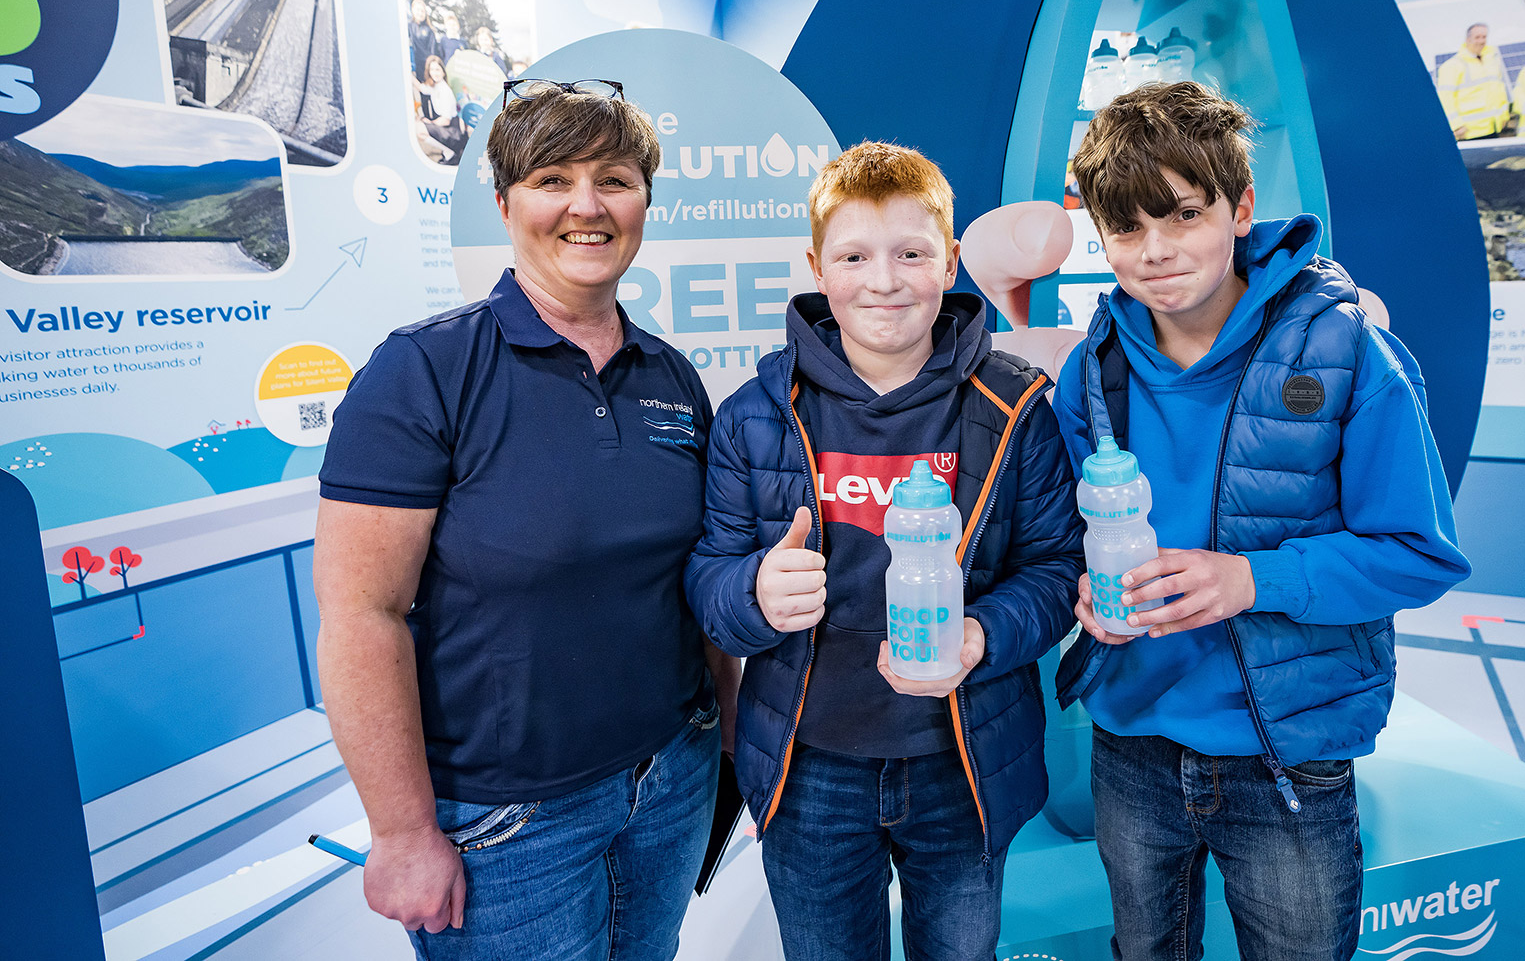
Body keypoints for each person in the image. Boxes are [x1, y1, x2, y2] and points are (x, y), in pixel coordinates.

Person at [314, 82, 737, 960]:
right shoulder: (422, 372)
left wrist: (734, 738)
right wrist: (399, 832)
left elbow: (692, 585)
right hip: (506, 825)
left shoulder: (671, 376)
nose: (587, 205)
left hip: (671, 781)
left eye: (614, 179)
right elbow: (362, 615)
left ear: (643, 203)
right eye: (553, 178)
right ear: (506, 204)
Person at [1052, 81, 1471, 961]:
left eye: (1183, 215)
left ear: (1240, 208)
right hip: (1130, 745)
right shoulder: (1089, 372)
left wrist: (1252, 578)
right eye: (1125, 228)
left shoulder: (1348, 347)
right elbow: (1062, 545)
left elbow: (1419, 552)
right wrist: (1078, 595)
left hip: (1287, 758)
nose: (1155, 251)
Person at [685, 142, 1083, 961]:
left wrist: (982, 635)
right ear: (816, 267)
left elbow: (1055, 567)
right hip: (810, 771)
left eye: (911, 253)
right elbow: (709, 579)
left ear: (950, 262)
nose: (885, 280)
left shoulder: (1014, 405)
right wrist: (754, 593)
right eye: (856, 255)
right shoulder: (754, 415)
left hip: (962, 767)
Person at [1435, 22, 1511, 140]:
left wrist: (1503, 116)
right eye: (1477, 37)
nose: (1481, 41)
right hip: (1468, 133)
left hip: (1493, 129)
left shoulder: (1491, 63)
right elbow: (1445, 98)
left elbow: (1499, 92)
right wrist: (1456, 125)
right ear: (1468, 39)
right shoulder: (1452, 65)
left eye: (1484, 37)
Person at [415, 54, 467, 161]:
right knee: (418, 124)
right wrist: (408, 73)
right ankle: (448, 152)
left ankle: (452, 152)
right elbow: (421, 88)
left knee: (419, 129)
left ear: (443, 72)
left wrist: (429, 122)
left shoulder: (445, 90)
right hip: (447, 129)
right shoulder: (435, 86)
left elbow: (446, 121)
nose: (435, 73)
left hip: (453, 133)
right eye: (432, 69)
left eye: (437, 69)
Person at [407, 0, 441, 80]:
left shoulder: (429, 30)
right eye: (418, 10)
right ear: (413, 10)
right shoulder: (408, 26)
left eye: (422, 11)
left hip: (425, 66)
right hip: (413, 65)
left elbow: (432, 51)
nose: (420, 13)